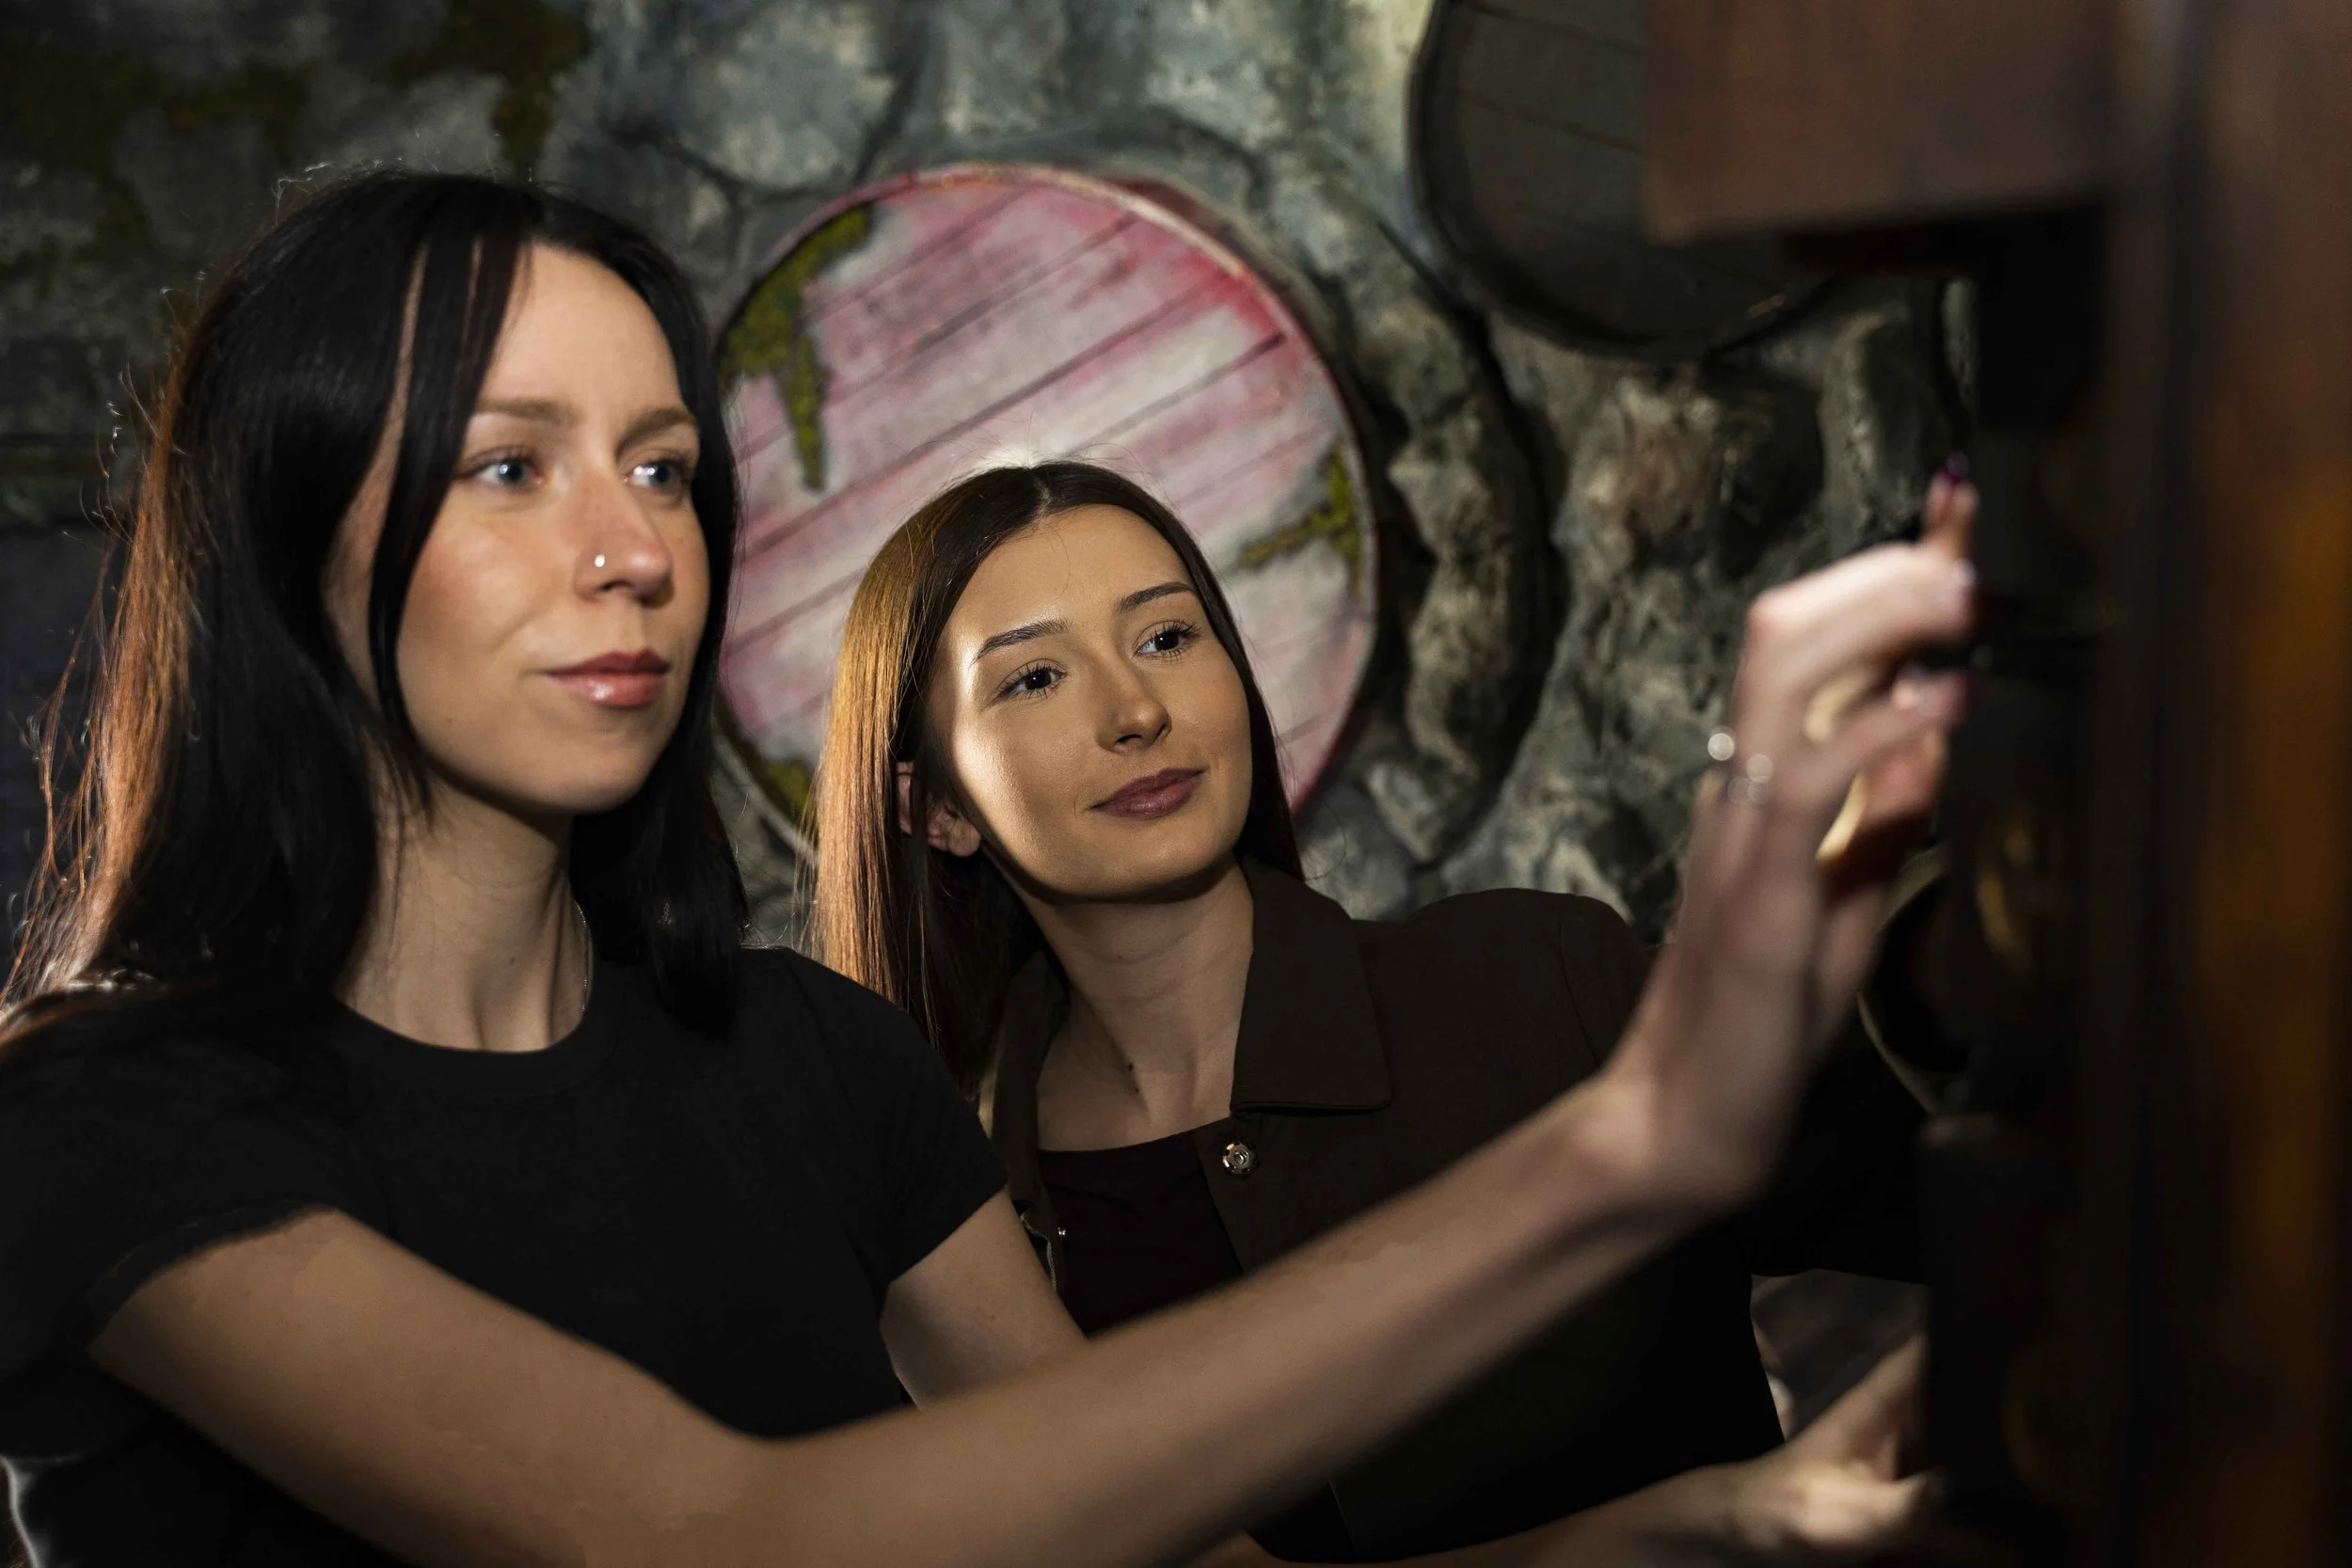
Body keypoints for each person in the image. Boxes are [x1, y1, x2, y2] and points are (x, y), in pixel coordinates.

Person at [0, 169, 1972, 1568]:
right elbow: (712, 1535)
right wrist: (1632, 1141)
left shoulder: (813, 1059)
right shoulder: (107, 1123)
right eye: (513, 465)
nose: (636, 548)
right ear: (287, 536)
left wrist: (1724, 1515)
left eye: (665, 465)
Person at [810, 462, 1970, 1560]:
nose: (1135, 709)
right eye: (1034, 677)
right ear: (935, 807)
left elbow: (1985, 1152)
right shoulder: (959, 1229)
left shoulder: (1538, 979)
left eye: (1166, 636)